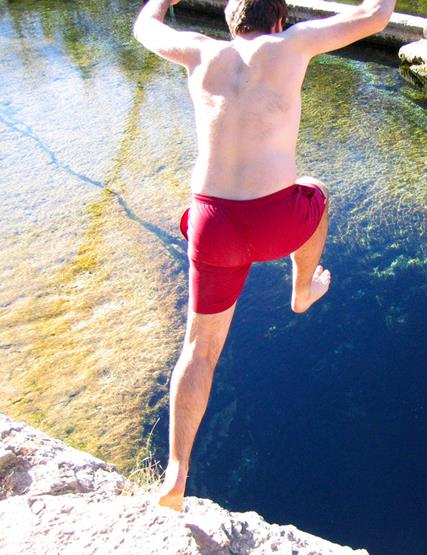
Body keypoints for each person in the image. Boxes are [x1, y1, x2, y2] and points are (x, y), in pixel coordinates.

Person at [133, 0, 396, 511]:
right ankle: (300, 291)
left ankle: (176, 470)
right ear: (279, 22)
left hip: (213, 226)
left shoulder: (201, 53)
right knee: (314, 192)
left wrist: (162, 0)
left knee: (200, 348)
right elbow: (375, 17)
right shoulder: (291, 45)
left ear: (233, 25)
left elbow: (146, 28)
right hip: (275, 222)